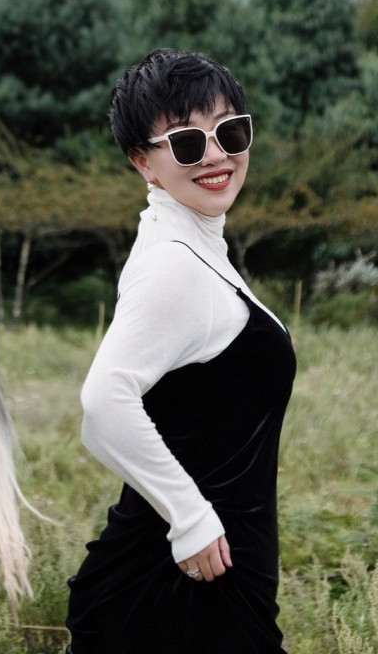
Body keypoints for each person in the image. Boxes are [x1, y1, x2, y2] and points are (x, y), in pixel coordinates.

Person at [65, 48, 296, 654]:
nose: (216, 154)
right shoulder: (173, 264)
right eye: (187, 143)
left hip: (205, 578)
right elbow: (103, 403)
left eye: (230, 131)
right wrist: (190, 518)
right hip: (178, 590)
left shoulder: (191, 245)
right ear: (142, 161)